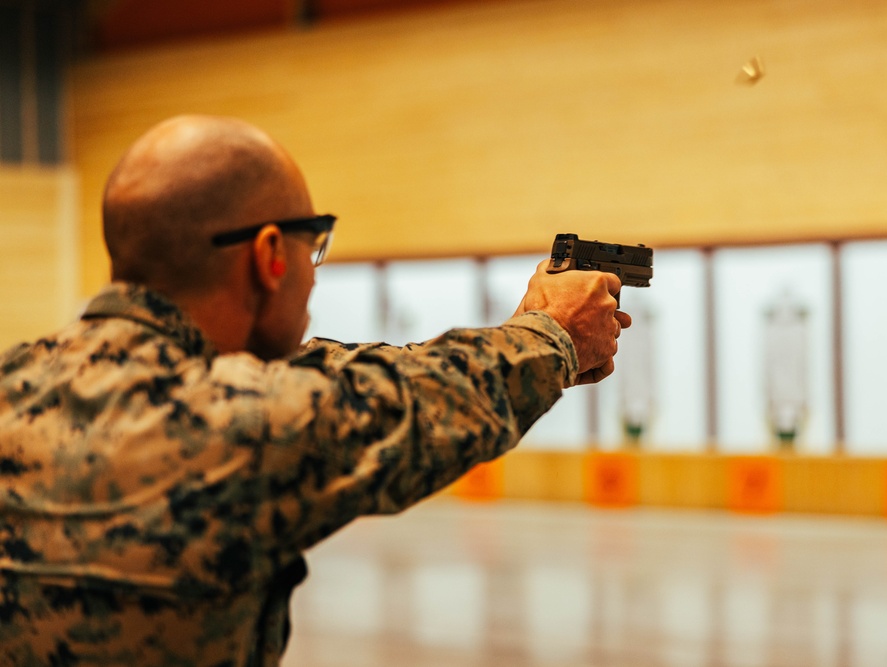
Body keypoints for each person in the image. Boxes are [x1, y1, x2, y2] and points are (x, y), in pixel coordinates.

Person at [0, 115, 630, 666]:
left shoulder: (18, 382)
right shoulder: (236, 422)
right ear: (270, 255)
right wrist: (554, 334)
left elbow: (338, 378)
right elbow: (414, 403)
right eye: (314, 246)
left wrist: (530, 331)